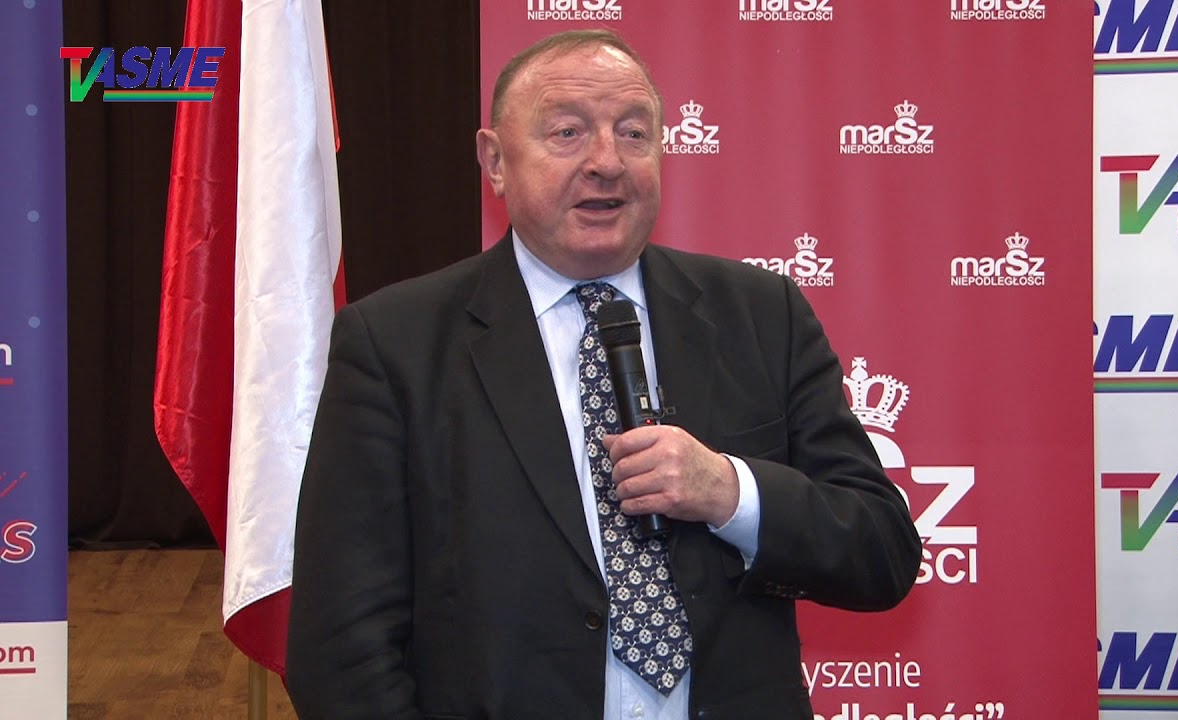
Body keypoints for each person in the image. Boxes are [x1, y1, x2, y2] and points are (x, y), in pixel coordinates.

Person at [285, 28, 921, 720]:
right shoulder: (395, 344)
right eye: (567, 132)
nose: (607, 162)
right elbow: (342, 648)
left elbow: (881, 551)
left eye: (633, 133)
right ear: (495, 161)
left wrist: (729, 491)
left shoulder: (762, 314)